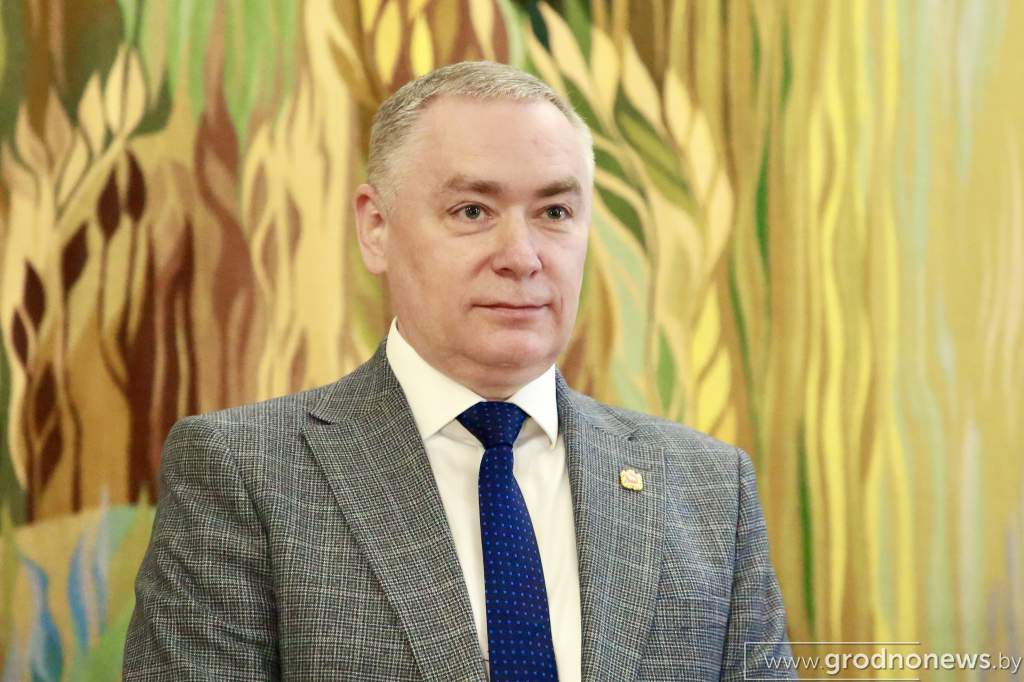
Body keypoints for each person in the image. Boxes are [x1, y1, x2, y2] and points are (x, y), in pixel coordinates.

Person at [124, 61, 793, 681]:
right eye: (473, 211)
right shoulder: (245, 474)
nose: (521, 256)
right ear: (376, 228)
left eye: (554, 213)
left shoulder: (709, 490)